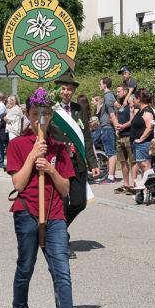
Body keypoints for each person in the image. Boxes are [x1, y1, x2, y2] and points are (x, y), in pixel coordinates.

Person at [5, 89, 97, 308]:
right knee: (25, 267)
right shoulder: (17, 145)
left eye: (45, 115)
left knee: (62, 271)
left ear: (50, 117)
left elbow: (66, 189)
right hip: (27, 212)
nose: (40, 120)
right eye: (35, 114)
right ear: (28, 115)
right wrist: (33, 157)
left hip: (55, 214)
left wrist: (51, 168)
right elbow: (18, 183)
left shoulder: (59, 148)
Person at [51, 76, 100, 257]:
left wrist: (92, 162)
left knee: (79, 202)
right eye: (63, 88)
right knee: (62, 203)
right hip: (59, 162)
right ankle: (61, 240)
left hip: (77, 161)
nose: (66, 92)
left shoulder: (78, 109)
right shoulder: (51, 109)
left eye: (70, 89)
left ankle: (58, 230)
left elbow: (87, 138)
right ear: (57, 89)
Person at [129, 89, 155, 192]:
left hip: (144, 144)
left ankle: (147, 191)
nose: (133, 101)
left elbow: (149, 128)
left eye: (134, 99)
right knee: (142, 167)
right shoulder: (140, 110)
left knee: (145, 167)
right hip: (138, 145)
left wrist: (141, 139)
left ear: (139, 99)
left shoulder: (147, 111)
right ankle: (144, 190)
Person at [112, 84, 135, 194]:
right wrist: (116, 127)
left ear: (125, 92)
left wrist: (123, 126)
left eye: (119, 91)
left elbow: (132, 120)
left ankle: (134, 185)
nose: (117, 93)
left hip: (129, 136)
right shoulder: (119, 105)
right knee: (122, 162)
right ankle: (126, 185)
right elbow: (116, 117)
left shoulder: (130, 103)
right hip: (120, 136)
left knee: (133, 161)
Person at [96, 77, 118, 183]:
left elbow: (112, 114)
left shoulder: (108, 96)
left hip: (108, 127)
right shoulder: (108, 96)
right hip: (106, 127)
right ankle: (111, 175)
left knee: (111, 152)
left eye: (100, 83)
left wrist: (117, 127)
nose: (99, 85)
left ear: (105, 85)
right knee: (110, 152)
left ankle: (111, 177)